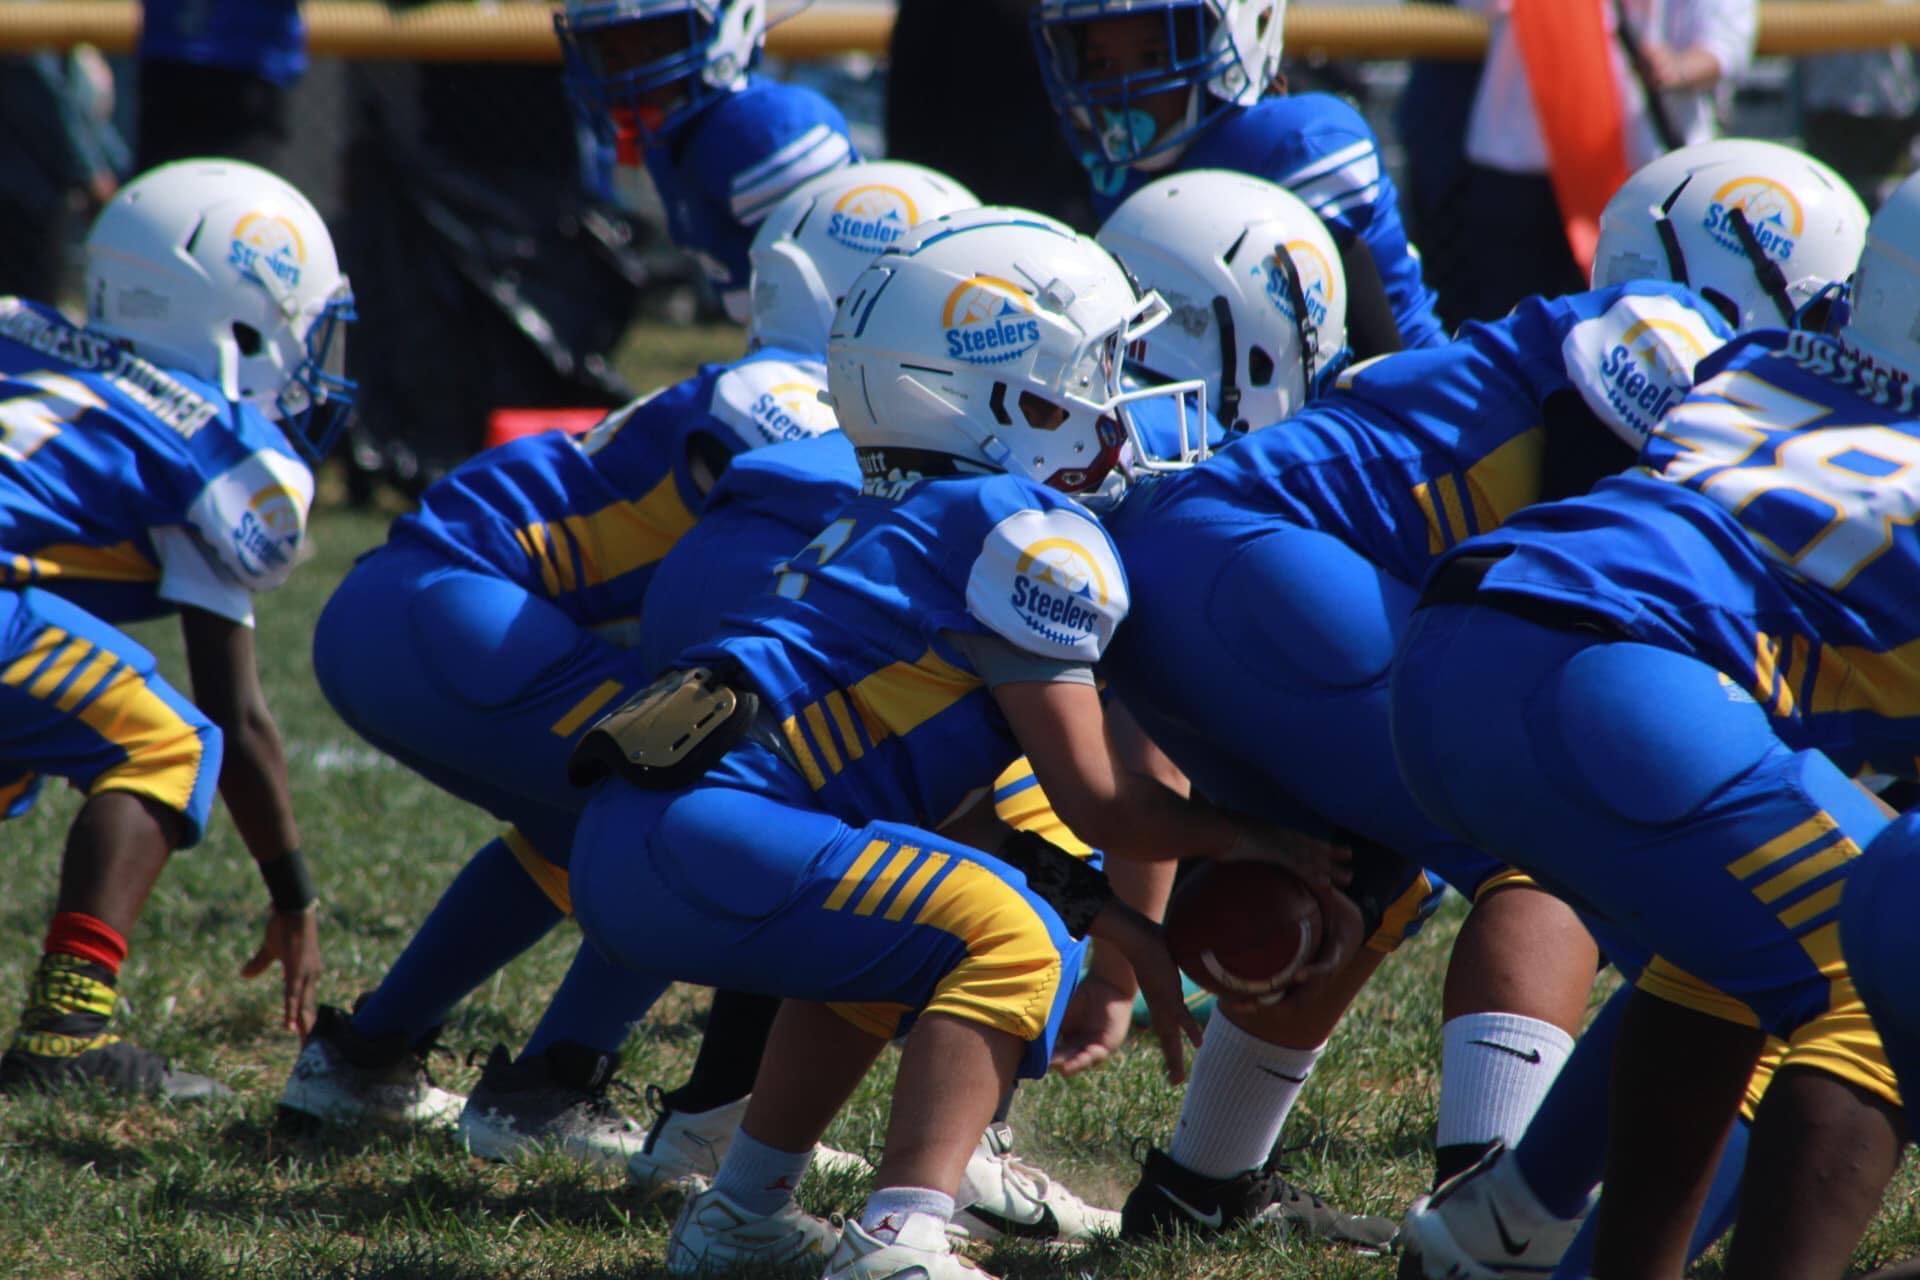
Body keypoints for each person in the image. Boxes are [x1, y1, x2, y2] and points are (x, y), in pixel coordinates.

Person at [563, 207, 1357, 1280]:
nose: (1120, 397)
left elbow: (943, 811)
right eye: (1097, 369)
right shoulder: (1021, 533)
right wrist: (1250, 836)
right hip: (706, 829)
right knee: (1012, 937)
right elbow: (1101, 801)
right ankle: (902, 1233)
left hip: (652, 832)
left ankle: (740, 1214)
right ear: (1005, 395)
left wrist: (1120, 920)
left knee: (893, 937)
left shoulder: (895, 518)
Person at [277, 162, 978, 1172]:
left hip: (423, 607)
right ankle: (554, 1082)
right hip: (455, 603)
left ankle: (364, 1058)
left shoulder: (785, 381)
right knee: (694, 785)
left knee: (580, 822)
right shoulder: (788, 392)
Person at [1387, 171, 1920, 1280]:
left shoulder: (1768, 360)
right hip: (1627, 691)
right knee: (1878, 973)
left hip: (1458, 647)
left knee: (1731, 940)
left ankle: (1561, 1242)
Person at [0, 158, 352, 1097]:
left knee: (14, 751)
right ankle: (69, 1033)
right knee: (168, 744)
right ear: (241, 321)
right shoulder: (214, 445)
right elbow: (234, 716)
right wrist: (294, 895)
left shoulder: (22, 328)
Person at [1031, 0, 1444, 356]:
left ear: (1237, 37)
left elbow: (1376, 361)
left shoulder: (1291, 145)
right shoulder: (1121, 174)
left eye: (1153, 57)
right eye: (1101, 64)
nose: (1122, 87)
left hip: (1392, 394)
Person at [556, 0, 858, 324]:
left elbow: (840, 304)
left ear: (728, 26)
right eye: (610, 53)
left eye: (653, 47)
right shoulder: (674, 137)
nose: (625, 74)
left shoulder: (761, 130)